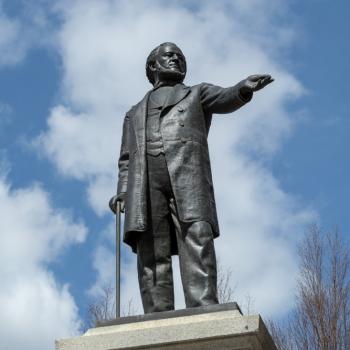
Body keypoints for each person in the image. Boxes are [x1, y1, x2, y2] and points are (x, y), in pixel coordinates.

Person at [109, 42, 273, 313]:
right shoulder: (134, 112)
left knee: (196, 236)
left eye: (180, 57)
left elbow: (225, 97)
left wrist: (243, 88)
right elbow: (126, 159)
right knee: (151, 248)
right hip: (146, 182)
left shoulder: (197, 93)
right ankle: (157, 312)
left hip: (187, 175)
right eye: (169, 56)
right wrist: (123, 191)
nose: (176, 60)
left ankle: (203, 306)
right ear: (153, 66)